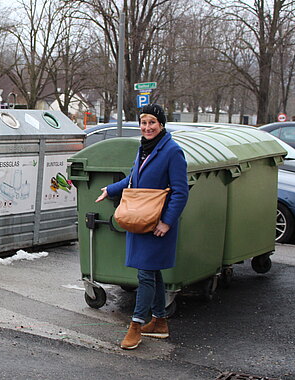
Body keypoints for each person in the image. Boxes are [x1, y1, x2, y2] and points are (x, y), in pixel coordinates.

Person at [95, 103, 188, 350]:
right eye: (144, 123)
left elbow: (180, 192)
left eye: (152, 123)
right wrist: (111, 189)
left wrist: (167, 222)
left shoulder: (172, 151)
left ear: (161, 125)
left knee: (145, 274)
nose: (147, 127)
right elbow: (133, 178)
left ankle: (136, 325)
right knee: (151, 272)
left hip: (156, 223)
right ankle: (159, 322)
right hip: (141, 219)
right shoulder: (144, 149)